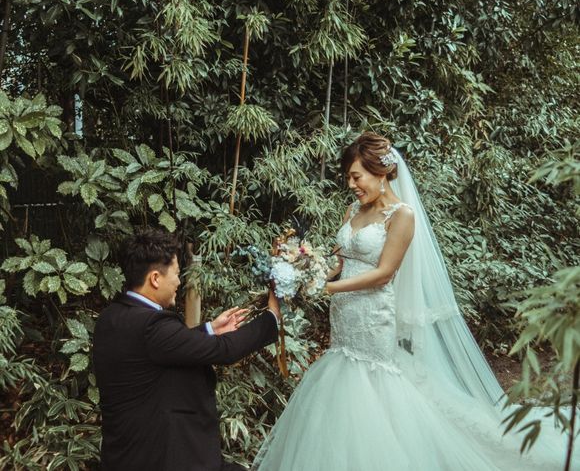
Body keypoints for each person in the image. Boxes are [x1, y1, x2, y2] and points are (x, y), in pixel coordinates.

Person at [253, 132, 574, 471]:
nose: (351, 184)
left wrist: (328, 289)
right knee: (341, 379)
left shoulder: (401, 215)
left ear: (381, 172)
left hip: (373, 315)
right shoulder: (353, 210)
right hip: (344, 319)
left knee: (371, 387)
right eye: (348, 177)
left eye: (356, 176)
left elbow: (384, 273)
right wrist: (309, 273)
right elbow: (340, 259)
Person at [93, 229, 280, 471]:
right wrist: (272, 317)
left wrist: (210, 329)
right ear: (155, 278)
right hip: (163, 457)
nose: (179, 282)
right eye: (176, 274)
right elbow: (225, 351)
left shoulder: (111, 317)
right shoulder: (152, 326)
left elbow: (158, 352)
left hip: (125, 454)